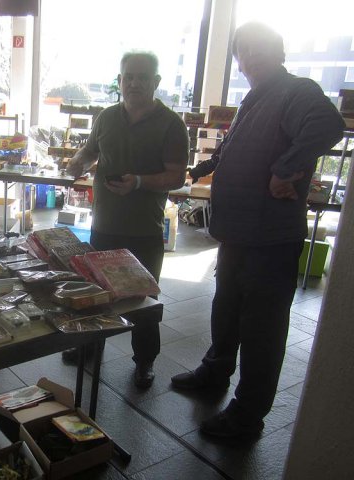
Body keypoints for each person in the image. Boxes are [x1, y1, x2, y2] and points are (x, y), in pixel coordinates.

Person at [171, 22, 345, 438]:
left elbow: (328, 125)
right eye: (244, 50)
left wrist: (285, 169)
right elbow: (232, 151)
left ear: (280, 52)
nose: (251, 56)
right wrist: (196, 171)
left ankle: (247, 415)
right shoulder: (255, 98)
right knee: (226, 309)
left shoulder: (296, 90)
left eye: (260, 48)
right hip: (238, 232)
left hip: (271, 238)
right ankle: (215, 371)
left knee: (261, 329)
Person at [65, 51, 189, 388]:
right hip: (103, 225)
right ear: (119, 81)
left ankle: (145, 361)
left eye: (142, 77)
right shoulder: (106, 117)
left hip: (143, 230)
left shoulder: (171, 125)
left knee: (143, 301)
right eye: (128, 77)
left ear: (156, 82)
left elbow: (177, 176)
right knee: (96, 294)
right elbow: (90, 151)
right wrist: (76, 163)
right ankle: (91, 346)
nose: (134, 83)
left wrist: (138, 182)